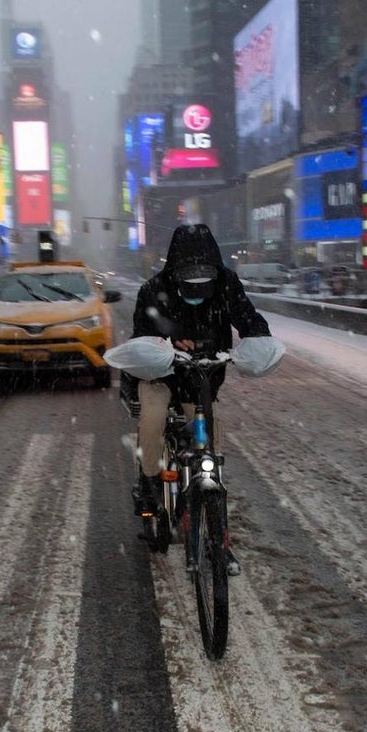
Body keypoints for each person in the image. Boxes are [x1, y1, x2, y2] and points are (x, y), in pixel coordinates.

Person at [121, 223, 272, 575]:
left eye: (204, 273)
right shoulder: (153, 290)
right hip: (160, 374)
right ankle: (149, 481)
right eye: (190, 273)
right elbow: (142, 336)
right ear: (176, 269)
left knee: (210, 444)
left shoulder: (226, 284)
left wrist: (260, 339)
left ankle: (219, 540)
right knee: (154, 420)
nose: (197, 282)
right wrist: (170, 343)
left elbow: (246, 317)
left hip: (201, 376)